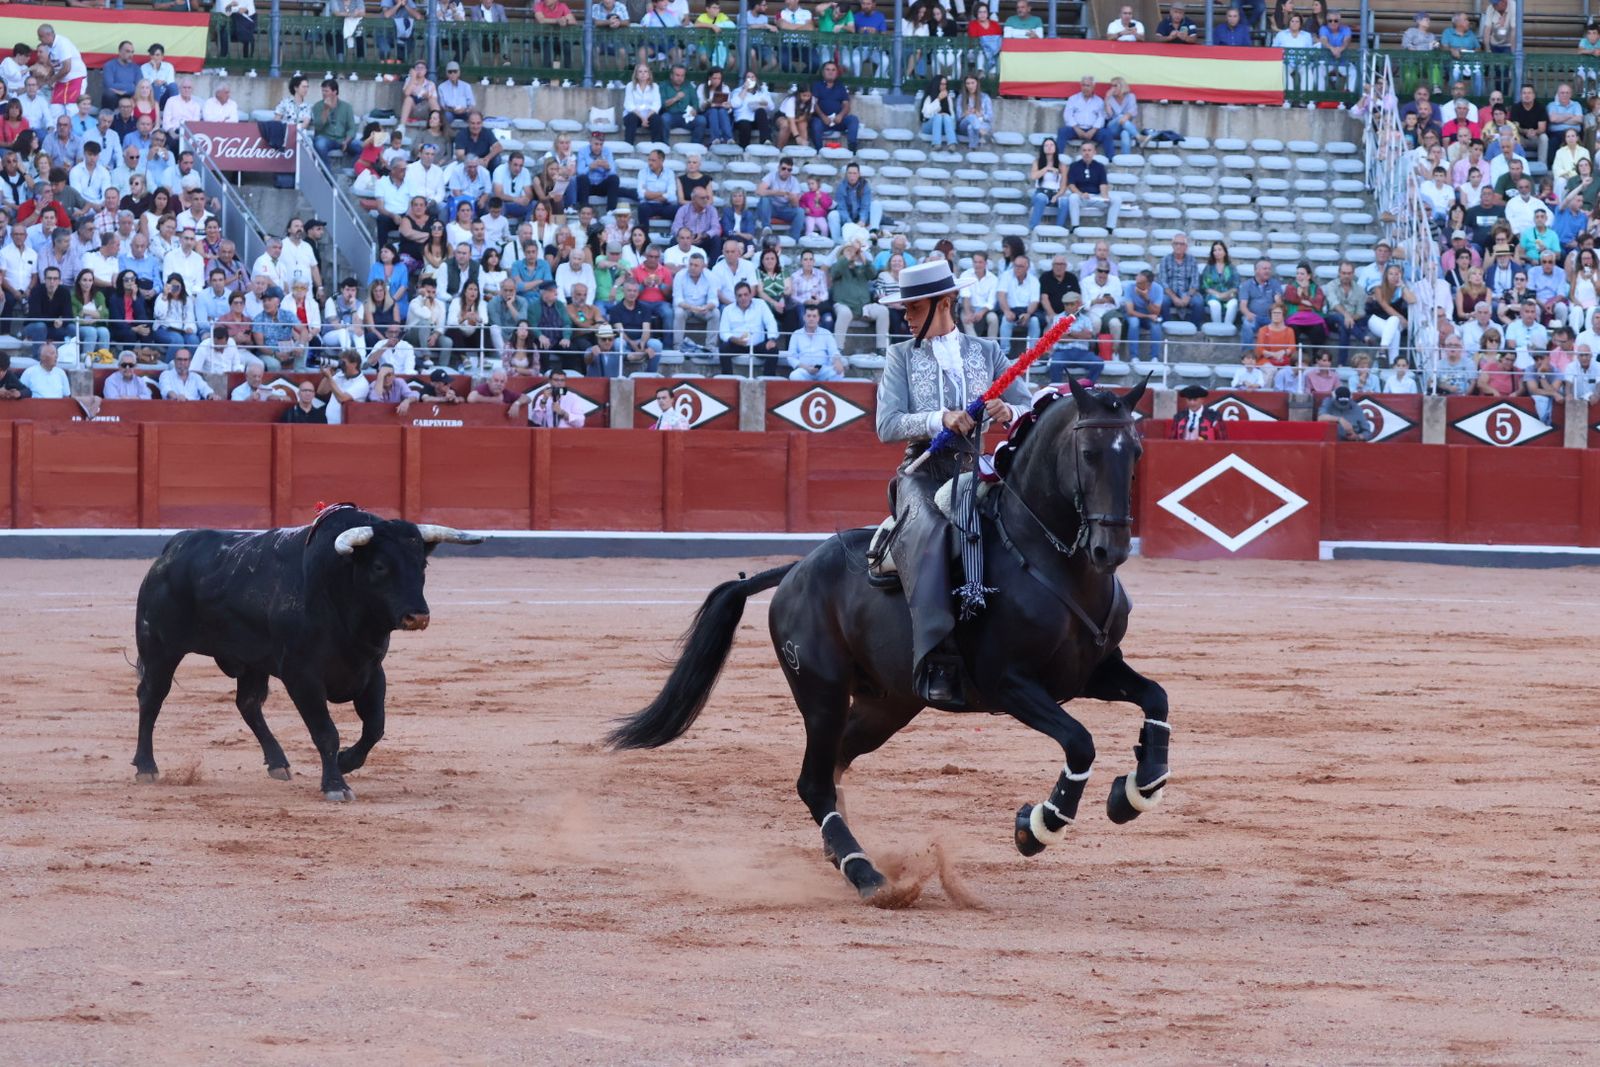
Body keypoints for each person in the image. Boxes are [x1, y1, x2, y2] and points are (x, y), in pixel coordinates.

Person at [873, 258, 1029, 706]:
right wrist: (940, 418)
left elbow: (1025, 405)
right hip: (923, 472)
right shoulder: (901, 355)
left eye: (914, 307)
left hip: (978, 470)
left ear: (945, 303)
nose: (905, 316)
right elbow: (887, 425)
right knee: (931, 535)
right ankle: (938, 656)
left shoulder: (988, 352)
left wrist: (1008, 412)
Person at [786, 305, 845, 379]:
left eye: (814, 316)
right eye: (809, 316)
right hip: (804, 370)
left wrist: (837, 361)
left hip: (823, 370)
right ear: (804, 317)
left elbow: (834, 351)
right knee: (794, 376)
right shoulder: (796, 334)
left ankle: (825, 391)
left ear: (818, 318)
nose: (811, 319)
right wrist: (806, 367)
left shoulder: (826, 333)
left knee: (839, 374)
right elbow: (791, 357)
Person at [512, 369, 586, 426]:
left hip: (566, 436)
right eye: (556, 380)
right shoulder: (542, 398)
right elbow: (536, 420)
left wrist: (562, 413)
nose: (559, 383)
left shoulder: (572, 397)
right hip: (547, 434)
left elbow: (580, 422)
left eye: (562, 380)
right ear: (550, 381)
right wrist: (544, 400)